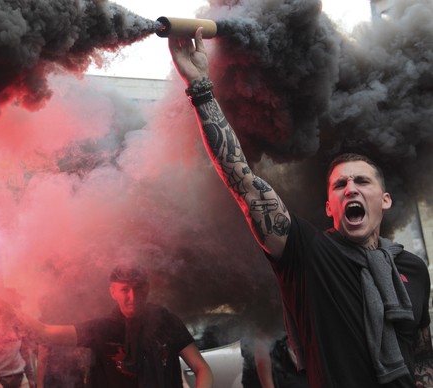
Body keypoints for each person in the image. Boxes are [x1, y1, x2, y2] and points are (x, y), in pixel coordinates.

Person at [168, 28, 433, 387]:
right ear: (329, 206)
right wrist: (200, 87)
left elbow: (420, 349)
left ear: (384, 200)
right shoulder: (308, 254)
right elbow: (243, 180)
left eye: (362, 182)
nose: (350, 189)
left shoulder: (412, 268)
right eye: (340, 185)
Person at [21, 262, 213, 388]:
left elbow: (201, 368)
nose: (132, 297)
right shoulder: (102, 330)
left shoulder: (165, 321)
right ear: (113, 292)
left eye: (138, 289)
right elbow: (44, 333)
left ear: (147, 288)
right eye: (125, 290)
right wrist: (10, 310)